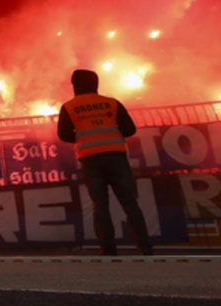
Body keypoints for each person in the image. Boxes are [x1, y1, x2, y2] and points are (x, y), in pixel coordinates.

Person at [57, 69, 154, 256]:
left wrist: (82, 136)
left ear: (75, 85)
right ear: (96, 83)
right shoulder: (111, 103)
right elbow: (129, 129)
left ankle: (107, 248)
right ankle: (145, 247)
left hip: (90, 159)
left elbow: (64, 134)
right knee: (130, 203)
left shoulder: (69, 107)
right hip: (117, 157)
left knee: (100, 204)